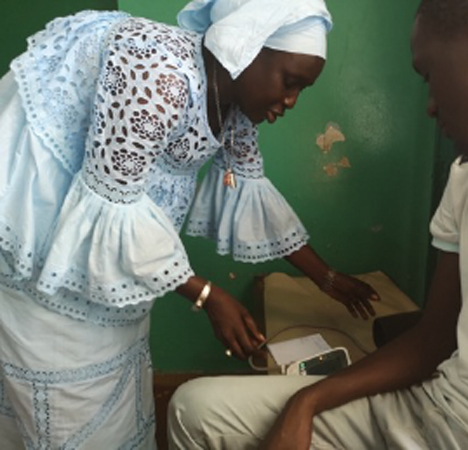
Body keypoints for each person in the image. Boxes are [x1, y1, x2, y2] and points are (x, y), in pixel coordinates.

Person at [167, 0, 468, 448]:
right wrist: (306, 404)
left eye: (429, 75)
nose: (430, 106)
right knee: (195, 409)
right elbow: (432, 339)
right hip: (433, 405)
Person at [0, 0, 381, 447]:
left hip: (111, 271)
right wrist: (206, 294)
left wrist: (327, 277)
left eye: (302, 90)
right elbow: (111, 201)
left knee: (113, 397)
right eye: (289, 82)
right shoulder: (158, 72)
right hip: (53, 261)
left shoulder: (233, 102)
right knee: (67, 405)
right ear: (246, 49)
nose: (291, 101)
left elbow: (251, 195)